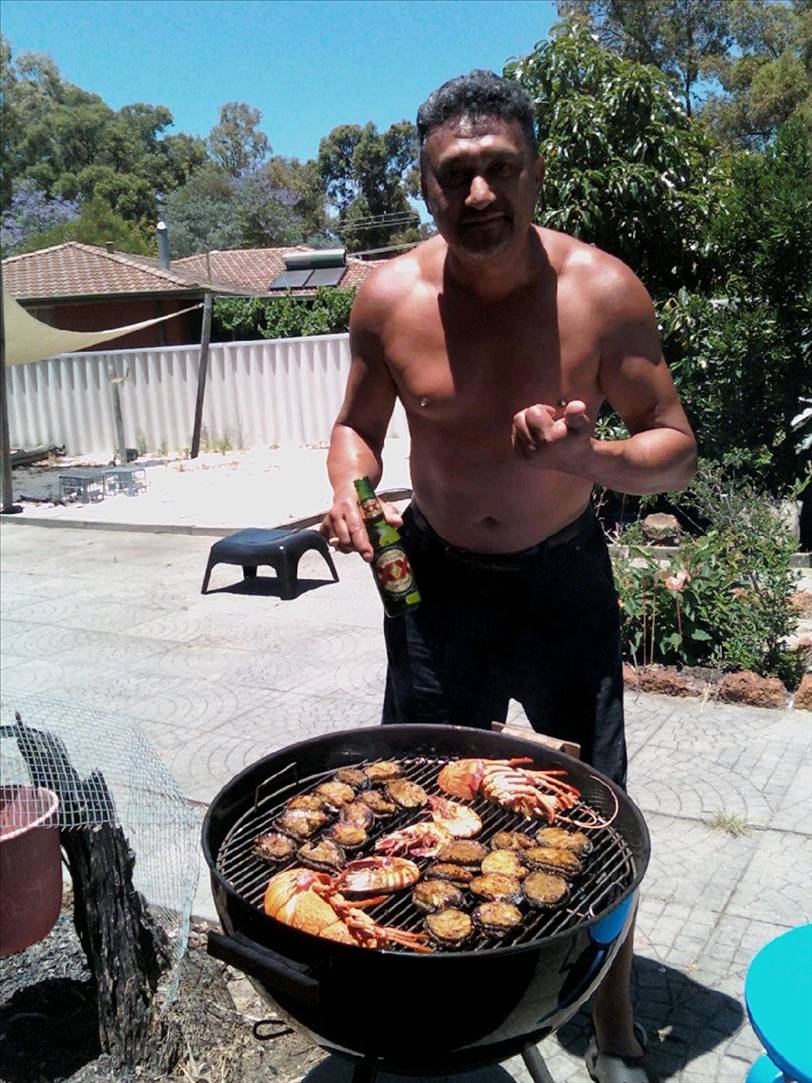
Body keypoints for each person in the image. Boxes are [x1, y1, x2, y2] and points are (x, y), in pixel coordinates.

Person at [321, 70, 696, 1083]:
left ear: (533, 173)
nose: (477, 194)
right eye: (454, 176)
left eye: (497, 171)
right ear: (424, 187)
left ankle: (612, 1025)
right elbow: (355, 429)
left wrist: (589, 460)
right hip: (436, 589)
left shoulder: (600, 291)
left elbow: (674, 446)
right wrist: (351, 486)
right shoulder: (389, 297)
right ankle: (439, 994)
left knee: (595, 805)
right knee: (417, 794)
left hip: (560, 581)